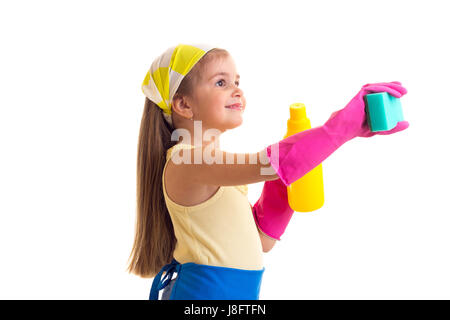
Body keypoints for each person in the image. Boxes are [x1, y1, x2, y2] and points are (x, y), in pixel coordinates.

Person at [127, 43, 409, 300]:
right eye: (221, 82)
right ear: (184, 104)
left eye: (237, 82)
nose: (237, 90)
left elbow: (262, 240)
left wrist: (292, 178)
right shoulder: (187, 162)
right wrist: (337, 128)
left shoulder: (213, 168)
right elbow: (268, 164)